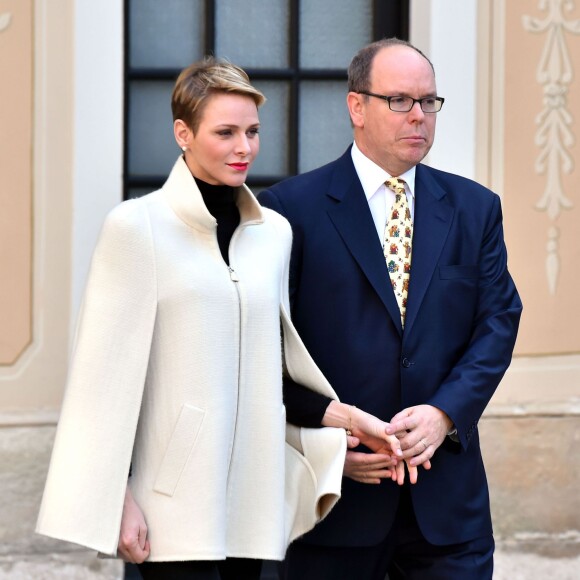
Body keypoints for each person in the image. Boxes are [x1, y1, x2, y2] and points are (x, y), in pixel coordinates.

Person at [36, 57, 405, 580]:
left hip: (253, 501)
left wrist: (350, 419)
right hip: (172, 506)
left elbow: (273, 373)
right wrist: (117, 497)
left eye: (253, 132)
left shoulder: (273, 234)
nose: (245, 149)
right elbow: (103, 383)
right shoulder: (136, 227)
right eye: (226, 132)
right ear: (182, 133)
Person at [259, 38, 523, 580]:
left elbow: (498, 321)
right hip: (336, 505)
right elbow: (263, 350)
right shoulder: (289, 210)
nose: (419, 116)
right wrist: (326, 450)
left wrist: (445, 412)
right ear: (357, 107)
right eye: (400, 101)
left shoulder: (475, 209)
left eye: (429, 102)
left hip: (448, 510)